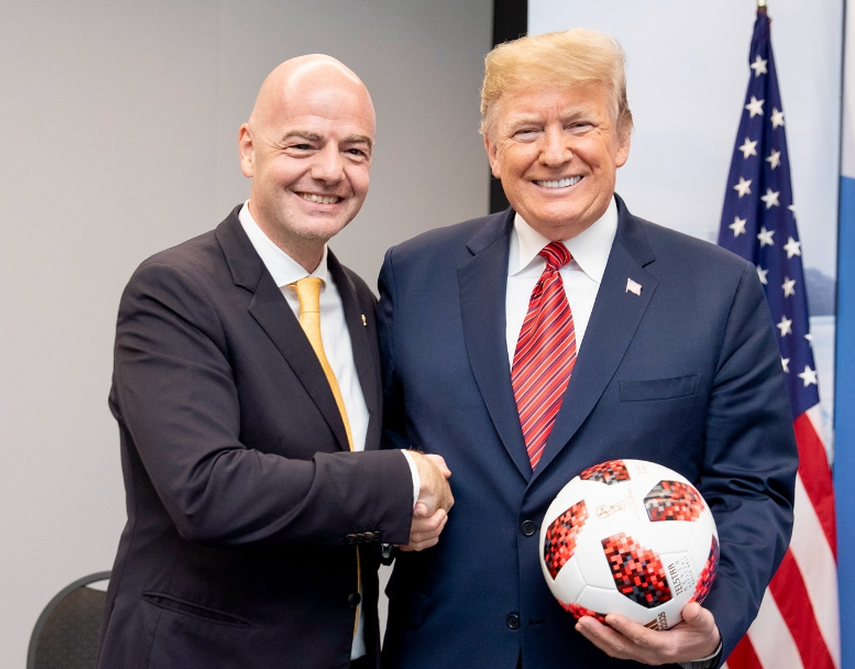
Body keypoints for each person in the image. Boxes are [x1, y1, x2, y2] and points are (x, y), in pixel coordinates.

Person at [377, 29, 797, 669]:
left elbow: (753, 488)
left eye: (579, 124)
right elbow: (381, 449)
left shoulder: (719, 290)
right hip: (443, 651)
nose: (554, 153)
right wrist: (394, 509)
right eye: (526, 131)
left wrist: (710, 627)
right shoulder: (415, 275)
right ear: (492, 149)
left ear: (622, 136)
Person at [97, 55, 453, 669]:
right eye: (303, 144)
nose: (330, 171)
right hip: (204, 656)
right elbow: (207, 491)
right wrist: (397, 482)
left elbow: (341, 482)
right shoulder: (174, 290)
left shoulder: (363, 305)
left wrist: (405, 516)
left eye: (355, 151)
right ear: (248, 149)